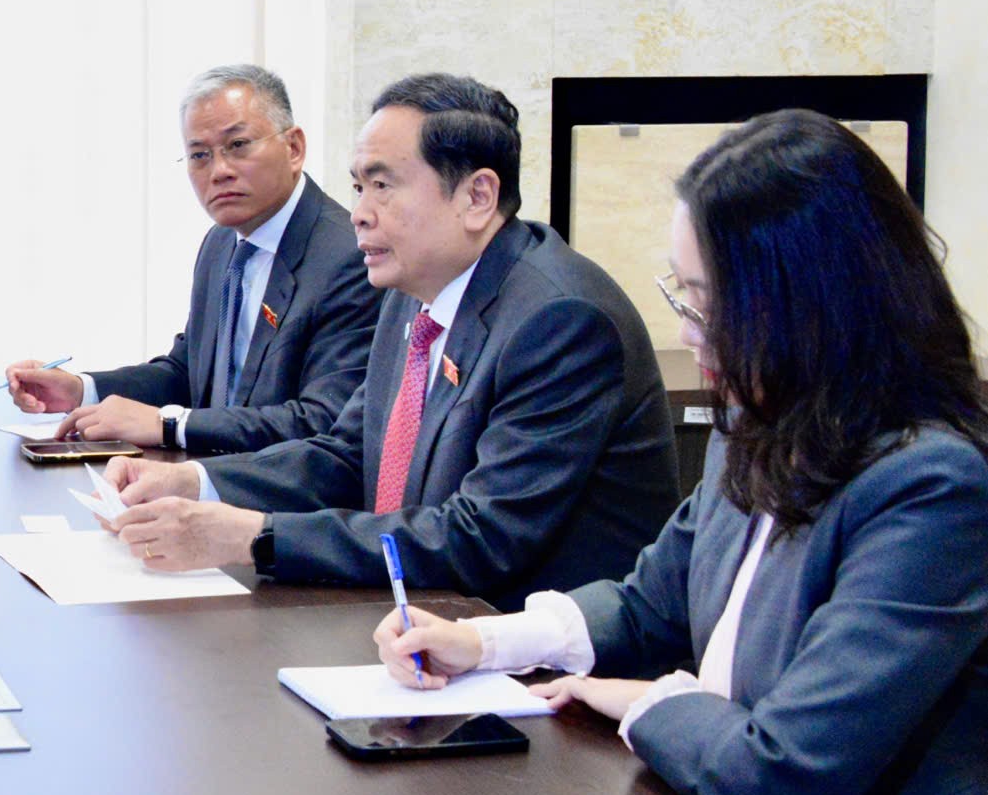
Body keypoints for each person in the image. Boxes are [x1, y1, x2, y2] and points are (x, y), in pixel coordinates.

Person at [375, 110, 988, 795]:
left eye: (703, 301)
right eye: (681, 291)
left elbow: (784, 771)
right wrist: (484, 642)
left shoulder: (930, 485)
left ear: (807, 305)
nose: (684, 329)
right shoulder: (756, 422)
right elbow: (648, 602)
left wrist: (652, 701)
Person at [101, 74, 678, 607]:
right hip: (420, 623)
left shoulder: (560, 322)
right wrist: (196, 482)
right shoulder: (412, 292)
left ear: (477, 197)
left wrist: (255, 536)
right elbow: (349, 454)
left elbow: (479, 538)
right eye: (358, 187)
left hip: (533, 657)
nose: (359, 214)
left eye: (382, 186)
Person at [5, 64, 379, 455]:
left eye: (238, 145)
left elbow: (322, 422)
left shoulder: (349, 258)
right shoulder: (222, 243)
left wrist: (169, 425)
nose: (219, 171)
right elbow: (189, 374)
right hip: (205, 477)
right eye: (199, 155)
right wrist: (82, 390)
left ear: (294, 148)